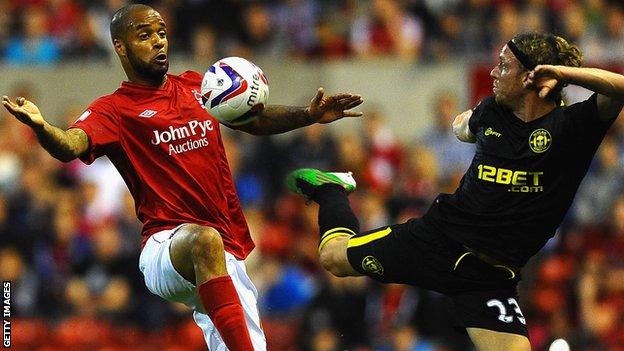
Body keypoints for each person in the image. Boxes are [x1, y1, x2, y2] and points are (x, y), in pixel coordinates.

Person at [2, 4, 363, 351]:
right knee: (204, 241)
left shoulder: (198, 87)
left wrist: (309, 115)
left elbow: (253, 120)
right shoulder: (113, 110)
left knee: (245, 340)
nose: (159, 40)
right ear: (120, 46)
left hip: (226, 251)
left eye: (162, 32)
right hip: (165, 247)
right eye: (145, 35)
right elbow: (70, 145)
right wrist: (41, 126)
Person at [286, 32, 624, 351]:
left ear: (530, 79)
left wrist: (563, 72)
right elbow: (464, 125)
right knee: (332, 257)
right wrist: (463, 125)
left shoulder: (573, 128)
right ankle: (331, 190)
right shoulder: (491, 111)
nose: (493, 71)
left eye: (504, 65)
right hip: (435, 241)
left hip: (490, 278)